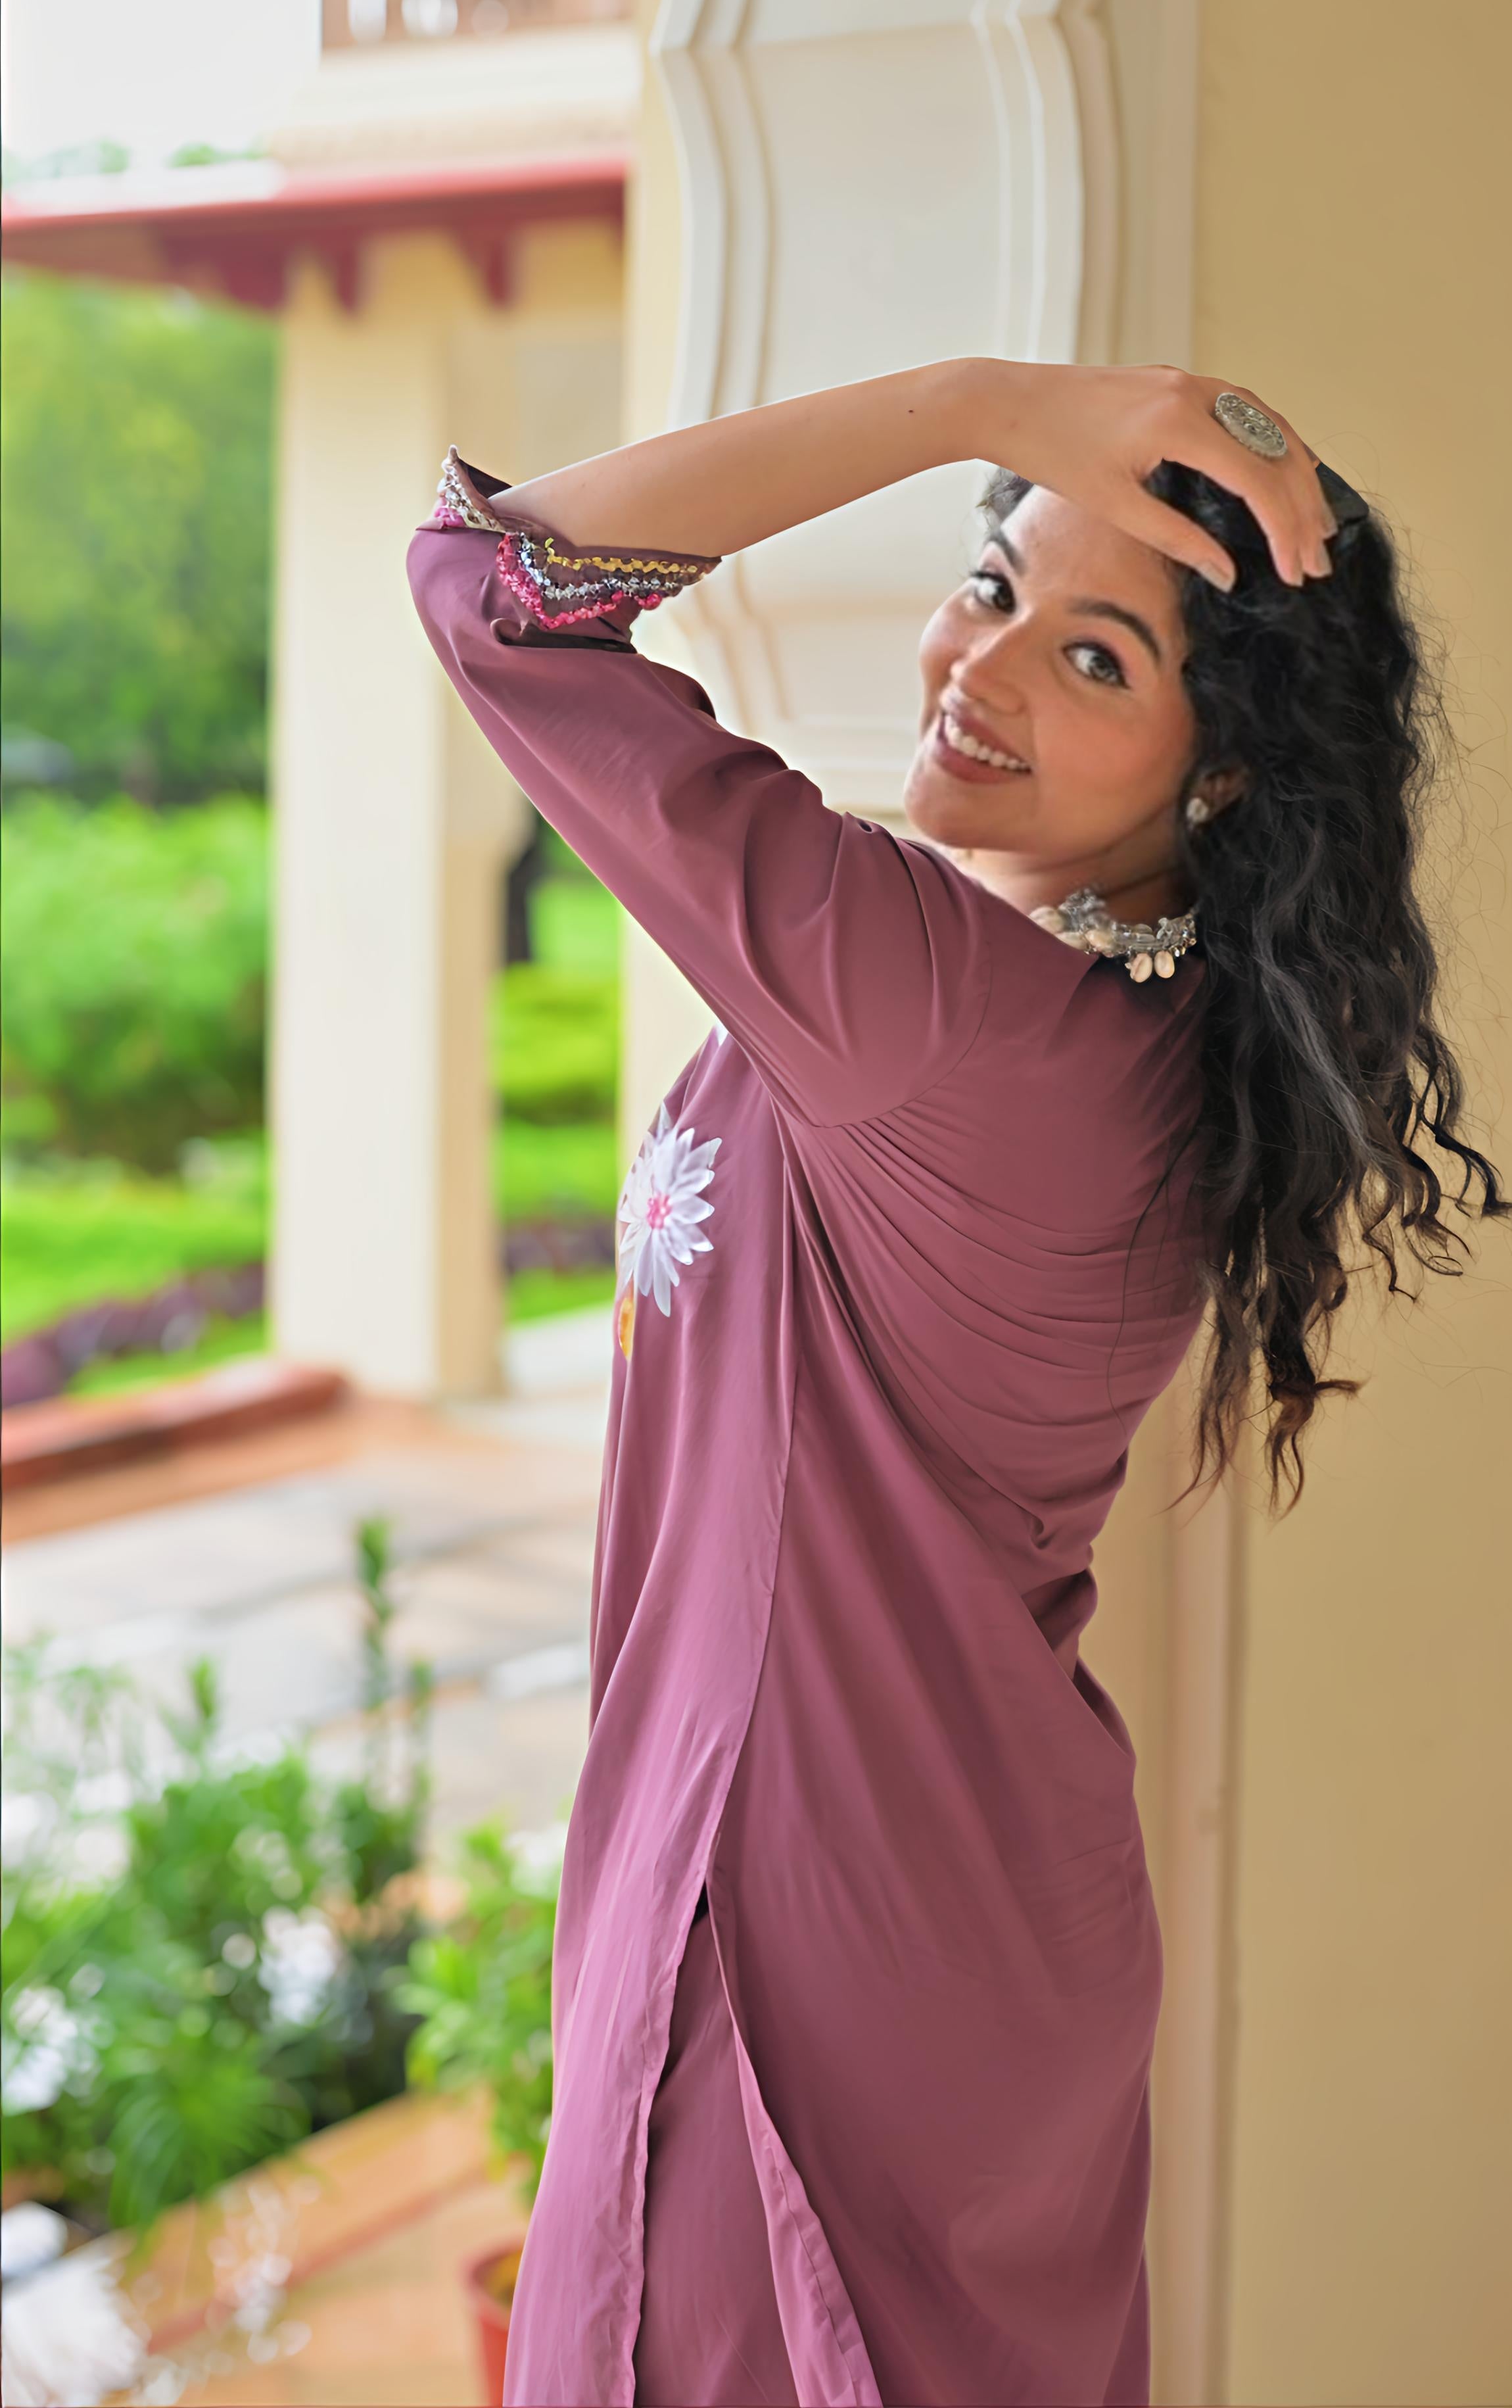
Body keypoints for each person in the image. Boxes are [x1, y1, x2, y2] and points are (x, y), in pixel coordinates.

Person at [407, 360, 1503, 2408]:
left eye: (1086, 654)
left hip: (804, 1953)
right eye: (986, 581)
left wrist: (979, 402)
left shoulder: (934, 1014)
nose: (976, 668)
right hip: (956, 1919)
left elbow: (495, 587)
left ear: (1226, 778)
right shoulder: (1128, 1043)